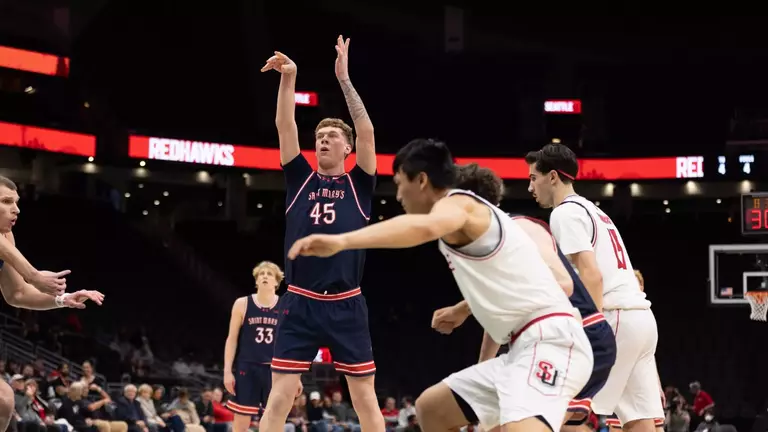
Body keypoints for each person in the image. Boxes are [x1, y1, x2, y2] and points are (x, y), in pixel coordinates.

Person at [288, 139, 593, 432]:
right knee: (431, 409)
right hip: (521, 349)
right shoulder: (467, 216)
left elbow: (423, 227)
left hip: (552, 341)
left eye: (398, 184)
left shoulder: (458, 203)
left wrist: (341, 241)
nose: (397, 196)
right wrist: (464, 309)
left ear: (421, 180)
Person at [258, 35, 383, 432]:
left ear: (347, 147)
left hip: (347, 303)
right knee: (278, 397)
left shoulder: (359, 185)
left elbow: (367, 130)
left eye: (331, 136)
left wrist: (344, 80)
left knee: (365, 398)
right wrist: (288, 78)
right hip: (299, 302)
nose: (323, 140)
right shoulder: (299, 179)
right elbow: (284, 123)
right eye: (319, 137)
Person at [453, 164, 617, 432]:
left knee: (517, 423)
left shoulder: (514, 228)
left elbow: (564, 283)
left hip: (575, 335)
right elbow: (501, 315)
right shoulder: (493, 240)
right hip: (576, 336)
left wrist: (465, 308)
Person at [526, 144, 664, 432]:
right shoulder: (594, 211)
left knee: (557, 407)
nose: (530, 187)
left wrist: (592, 329)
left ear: (552, 177)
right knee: (639, 420)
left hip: (614, 318)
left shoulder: (564, 213)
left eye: (533, 178)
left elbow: (591, 274)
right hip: (641, 320)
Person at [0, 178, 104, 432]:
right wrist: (34, 274)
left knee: (3, 401)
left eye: (17, 202)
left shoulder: (6, 237)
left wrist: (62, 299)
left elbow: (18, 293)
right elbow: (28, 277)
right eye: (5, 201)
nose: (16, 209)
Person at [223, 261, 285, 432]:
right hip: (247, 366)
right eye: (261, 274)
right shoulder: (242, 303)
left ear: (276, 282)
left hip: (274, 370)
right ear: (256, 281)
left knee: (273, 419)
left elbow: (290, 344)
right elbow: (232, 339)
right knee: (242, 419)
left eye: (269, 274)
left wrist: (296, 375)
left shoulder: (285, 306)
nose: (265, 276)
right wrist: (227, 371)